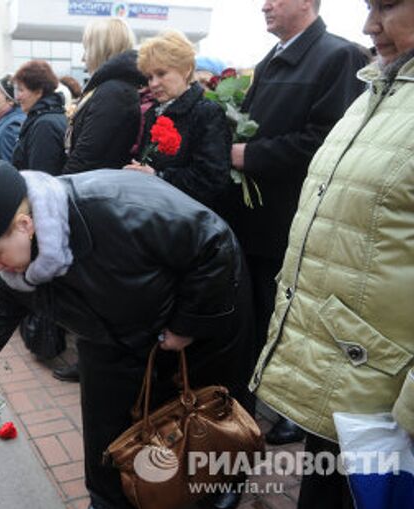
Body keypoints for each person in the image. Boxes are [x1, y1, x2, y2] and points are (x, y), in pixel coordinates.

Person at [0, 162, 254, 509]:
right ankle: (107, 501)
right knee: (105, 430)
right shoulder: (16, 265)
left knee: (206, 413)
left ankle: (222, 484)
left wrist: (186, 326)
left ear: (25, 225)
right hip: (109, 332)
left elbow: (215, 243)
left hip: (198, 312)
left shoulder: (114, 208)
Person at [252, 2, 414, 508]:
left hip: (391, 406)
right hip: (347, 387)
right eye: (368, 6)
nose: (369, 25)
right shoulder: (376, 92)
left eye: (387, 5)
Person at [222, 0, 368, 446]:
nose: (263, 5)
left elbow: (326, 141)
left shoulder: (337, 56)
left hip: (291, 224)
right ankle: (263, 401)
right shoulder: (272, 58)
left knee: (290, 323)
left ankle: (293, 413)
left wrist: (247, 156)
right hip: (254, 222)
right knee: (260, 319)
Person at [125, 30, 231, 213]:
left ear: (186, 70)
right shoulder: (154, 112)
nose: (154, 83)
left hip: (188, 221)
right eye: (150, 77)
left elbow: (212, 179)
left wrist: (158, 177)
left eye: (161, 73)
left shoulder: (207, 113)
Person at [63, 18, 144, 174]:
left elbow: (87, 157)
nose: (83, 58)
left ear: (100, 50)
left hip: (91, 188)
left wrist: (61, 187)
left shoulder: (114, 92)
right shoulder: (110, 88)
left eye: (87, 49)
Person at [12, 60, 68, 174]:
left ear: (38, 92)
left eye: (21, 90)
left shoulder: (44, 125)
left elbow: (40, 178)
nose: (17, 97)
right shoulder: (47, 117)